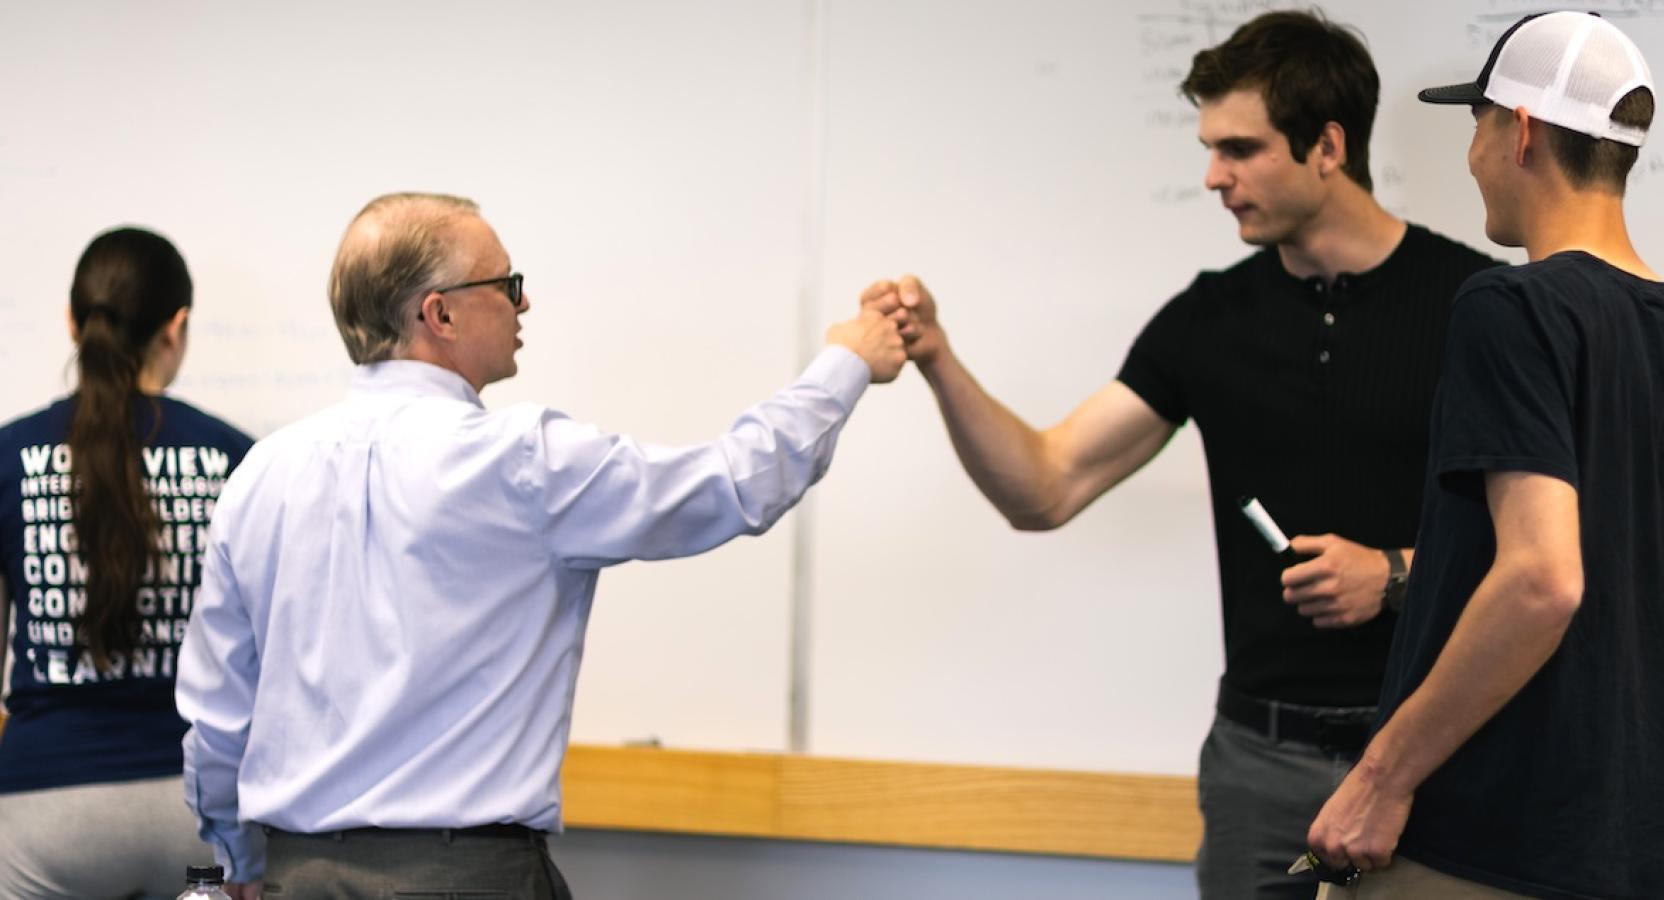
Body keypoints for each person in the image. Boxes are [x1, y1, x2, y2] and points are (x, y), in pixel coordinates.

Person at [870, 11, 1500, 898]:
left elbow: (1555, 554)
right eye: (1210, 149)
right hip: (1258, 763)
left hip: (1433, 755)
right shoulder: (1208, 319)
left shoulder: (1477, 307)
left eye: (1239, 149)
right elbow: (1043, 487)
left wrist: (1395, 573)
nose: (1214, 177)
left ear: (1327, 145)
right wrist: (940, 359)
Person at [175, 192, 907, 898]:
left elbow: (218, 714)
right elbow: (731, 484)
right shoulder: (518, 463)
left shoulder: (260, 475)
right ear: (441, 313)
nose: (524, 304)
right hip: (463, 881)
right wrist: (845, 363)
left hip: (297, 878)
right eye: (507, 283)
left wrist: (238, 855)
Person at [1306, 12, 1664, 897]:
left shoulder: (1510, 309)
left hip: (1480, 850)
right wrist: (1623, 648)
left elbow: (1543, 580)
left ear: (1523, 130)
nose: (1471, 155)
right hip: (1648, 860)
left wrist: (1378, 779)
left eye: (1477, 123)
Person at [0, 227, 255, 898]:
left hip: (44, 812)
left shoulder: (9, 456)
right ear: (178, 326)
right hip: (198, 813)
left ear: (72, 322)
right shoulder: (237, 459)